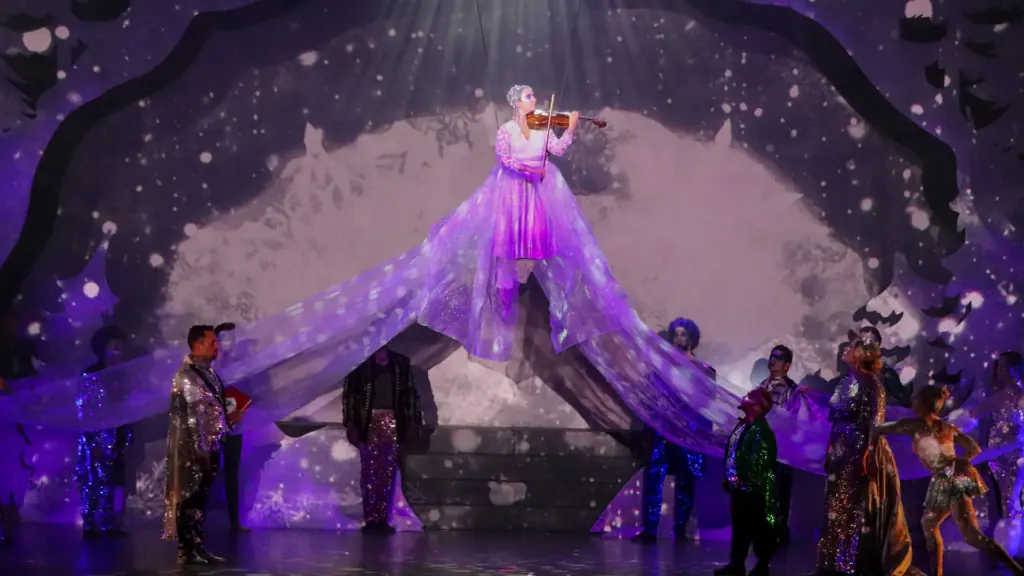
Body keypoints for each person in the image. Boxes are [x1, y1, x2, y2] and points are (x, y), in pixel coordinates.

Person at [871, 386, 1023, 576]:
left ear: (924, 404)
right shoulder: (946, 427)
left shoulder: (913, 425)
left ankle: (1014, 569)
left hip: (948, 476)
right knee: (944, 527)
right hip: (953, 474)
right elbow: (973, 448)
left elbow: (880, 429)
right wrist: (959, 463)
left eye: (916, 398)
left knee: (960, 532)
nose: (912, 400)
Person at [815, 338, 920, 576]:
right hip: (841, 450)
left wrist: (867, 454)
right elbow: (835, 419)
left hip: (861, 449)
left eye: (851, 347)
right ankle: (833, 562)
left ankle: (854, 561)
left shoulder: (873, 385)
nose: (845, 349)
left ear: (863, 354)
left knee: (856, 504)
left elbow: (875, 424)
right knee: (836, 504)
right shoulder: (843, 383)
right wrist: (830, 447)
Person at [162, 325, 243, 565]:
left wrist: (228, 421)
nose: (216, 347)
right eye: (212, 343)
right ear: (198, 345)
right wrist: (200, 450)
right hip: (193, 450)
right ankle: (187, 549)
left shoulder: (207, 373)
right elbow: (192, 418)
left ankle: (196, 546)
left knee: (200, 499)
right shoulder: (187, 376)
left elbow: (210, 410)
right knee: (190, 498)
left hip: (209, 445)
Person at [634, 317, 708, 542]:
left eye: (684, 334)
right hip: (663, 431)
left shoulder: (701, 369)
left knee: (686, 481)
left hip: (688, 433)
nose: (679, 339)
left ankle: (681, 530)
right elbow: (651, 398)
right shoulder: (661, 368)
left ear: (692, 339)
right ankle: (649, 530)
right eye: (676, 334)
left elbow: (706, 403)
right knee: (654, 477)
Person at [342, 345, 422, 534]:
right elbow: (350, 397)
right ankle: (371, 519)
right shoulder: (360, 363)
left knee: (387, 472)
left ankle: (382, 519)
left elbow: (410, 396)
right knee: (369, 471)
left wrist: (413, 422)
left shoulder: (400, 363)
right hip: (367, 422)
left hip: (392, 420)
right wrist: (350, 423)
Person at [714, 388, 778, 576]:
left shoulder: (762, 431)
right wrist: (730, 477)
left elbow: (762, 459)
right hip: (739, 487)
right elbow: (733, 451)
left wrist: (748, 479)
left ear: (759, 405)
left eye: (750, 397)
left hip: (753, 488)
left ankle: (762, 564)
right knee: (740, 525)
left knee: (758, 526)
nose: (745, 398)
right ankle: (737, 563)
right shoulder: (743, 426)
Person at [76, 326, 133, 536]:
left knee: (113, 479)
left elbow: (127, 407)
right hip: (96, 436)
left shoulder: (123, 375)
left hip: (116, 434)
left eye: (121, 347)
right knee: (93, 479)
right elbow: (85, 408)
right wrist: (93, 439)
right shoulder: (91, 375)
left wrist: (127, 436)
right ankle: (90, 523)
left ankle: (109, 522)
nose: (119, 351)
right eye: (114, 347)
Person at [756, 344, 800, 547]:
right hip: (761, 447)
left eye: (778, 358)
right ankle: (762, 531)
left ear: (787, 365)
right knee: (761, 491)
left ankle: (779, 532)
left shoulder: (792, 389)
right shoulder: (761, 386)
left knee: (779, 493)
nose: (773, 361)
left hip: (781, 449)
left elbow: (792, 419)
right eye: (771, 357)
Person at [213, 322, 249, 533]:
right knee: (208, 472)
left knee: (232, 472)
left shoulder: (242, 365)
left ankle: (234, 521)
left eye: (231, 338)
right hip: (212, 427)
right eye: (224, 338)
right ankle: (198, 521)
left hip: (234, 426)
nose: (228, 342)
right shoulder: (209, 365)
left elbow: (249, 391)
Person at [858, 326, 912, 408]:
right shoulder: (854, 370)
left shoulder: (886, 373)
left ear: (877, 343)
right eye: (861, 342)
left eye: (869, 341)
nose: (864, 345)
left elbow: (903, 402)